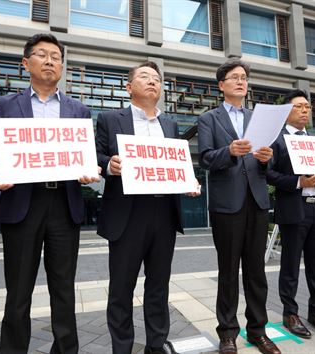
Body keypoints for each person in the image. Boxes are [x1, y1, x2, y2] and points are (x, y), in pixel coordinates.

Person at [0, 34, 99, 354]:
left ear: (62, 66)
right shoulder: (7, 105)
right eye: (42, 55)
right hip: (22, 202)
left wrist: (89, 171)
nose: (50, 61)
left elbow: (84, 155)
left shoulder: (79, 109)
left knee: (63, 289)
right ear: (26, 63)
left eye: (56, 56)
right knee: (18, 291)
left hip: (64, 204)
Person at [95, 61, 198, 354]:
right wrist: (108, 164)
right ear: (129, 87)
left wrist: (189, 181)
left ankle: (156, 344)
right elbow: (96, 155)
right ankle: (122, 347)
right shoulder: (110, 118)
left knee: (158, 287)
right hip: (127, 213)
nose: (152, 81)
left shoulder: (170, 124)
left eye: (156, 78)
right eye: (144, 76)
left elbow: (176, 165)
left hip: (163, 213)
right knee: (121, 289)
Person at [197, 58, 280, 354]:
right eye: (234, 77)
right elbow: (205, 158)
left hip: (257, 202)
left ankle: (258, 330)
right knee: (229, 271)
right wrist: (230, 151)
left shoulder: (258, 117)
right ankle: (228, 333)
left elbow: (270, 163)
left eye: (244, 77)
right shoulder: (209, 119)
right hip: (226, 205)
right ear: (221, 85)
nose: (241, 81)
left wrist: (266, 157)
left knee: (257, 271)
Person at [266, 89, 315, 339]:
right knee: (290, 266)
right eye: (299, 106)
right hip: (294, 210)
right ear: (286, 112)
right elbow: (269, 174)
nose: (305, 110)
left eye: (307, 106)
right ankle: (290, 313)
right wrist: (298, 183)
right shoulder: (277, 140)